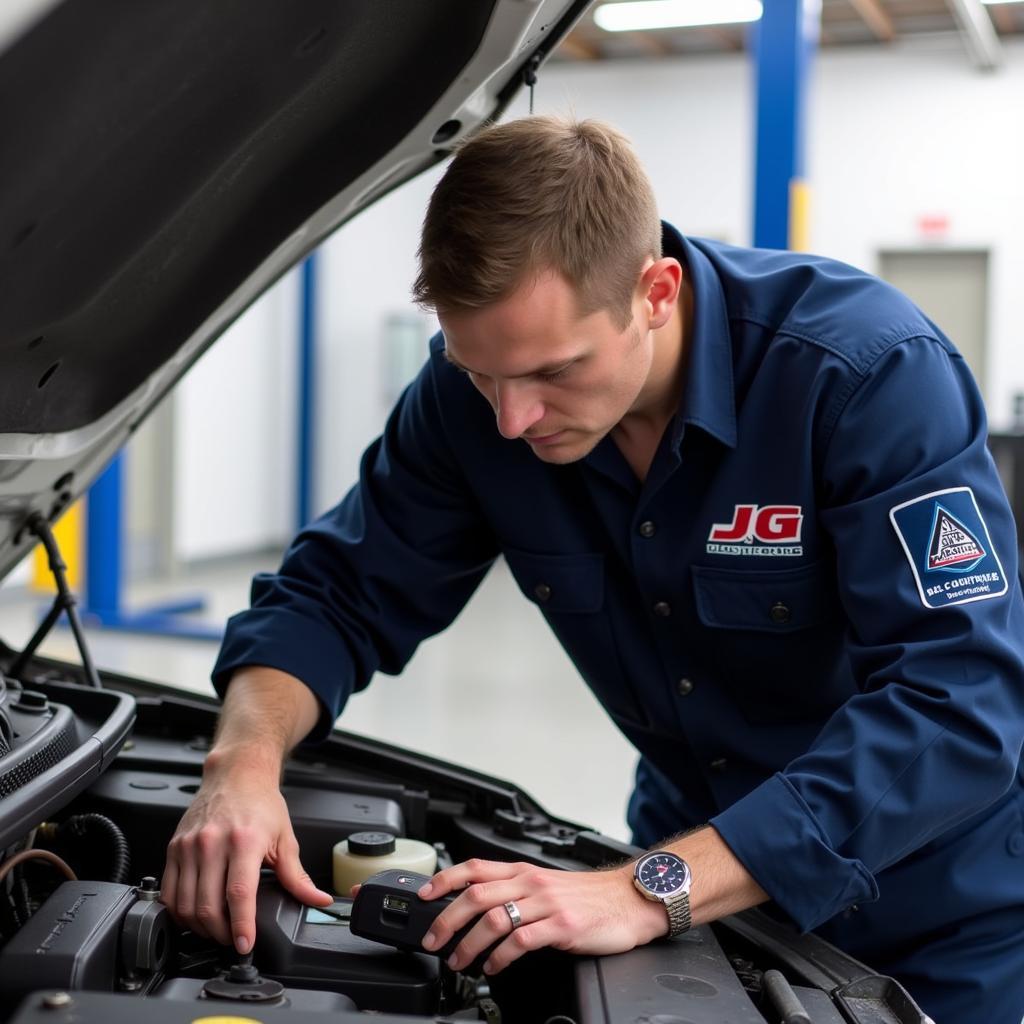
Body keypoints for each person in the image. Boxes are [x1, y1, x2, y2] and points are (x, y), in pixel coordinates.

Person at [161, 116, 1024, 1023]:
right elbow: (334, 595)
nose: (511, 419)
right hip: (693, 886)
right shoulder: (473, 403)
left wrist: (648, 891)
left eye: (554, 371)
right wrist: (241, 767)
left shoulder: (863, 375)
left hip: (935, 916)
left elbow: (958, 701)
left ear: (655, 292)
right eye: (480, 372)